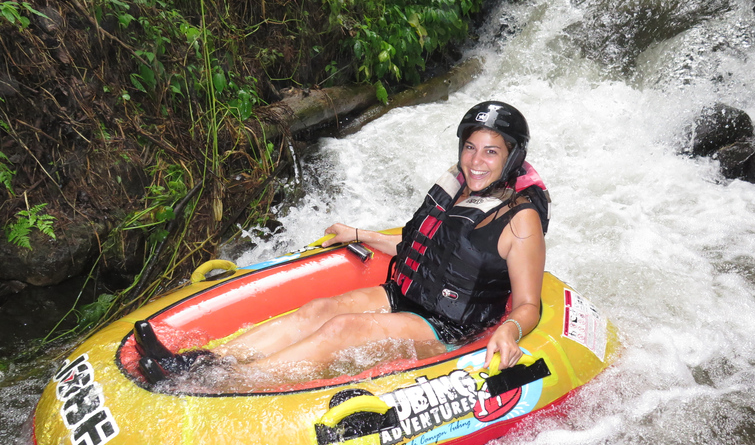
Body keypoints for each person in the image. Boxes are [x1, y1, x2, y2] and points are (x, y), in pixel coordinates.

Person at [135, 101, 549, 386]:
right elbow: (421, 247)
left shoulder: (520, 220)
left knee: (340, 328)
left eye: (491, 152)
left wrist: (510, 330)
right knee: (319, 310)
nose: (475, 161)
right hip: (405, 295)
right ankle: (201, 362)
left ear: (511, 157)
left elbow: (529, 303)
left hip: (449, 325)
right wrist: (361, 235)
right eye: (471, 148)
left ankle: (219, 384)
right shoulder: (462, 186)